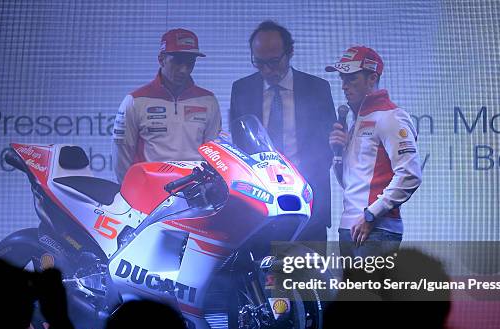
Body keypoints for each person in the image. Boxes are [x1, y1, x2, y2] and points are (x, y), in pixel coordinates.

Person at [230, 20, 336, 245]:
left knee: (307, 278)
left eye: (274, 61)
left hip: (308, 206)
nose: (268, 70)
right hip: (258, 208)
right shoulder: (242, 89)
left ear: (290, 53)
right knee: (261, 279)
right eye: (259, 63)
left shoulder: (317, 88)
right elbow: (238, 147)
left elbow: (328, 148)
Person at [326, 46, 422, 258]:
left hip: (377, 230)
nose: (344, 86)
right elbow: (350, 182)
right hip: (351, 227)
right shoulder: (357, 121)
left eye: (352, 79)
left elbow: (410, 175)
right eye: (342, 79)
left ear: (372, 78)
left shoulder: (391, 117)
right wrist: (338, 155)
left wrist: (371, 215)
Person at [112, 28, 222, 183]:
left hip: (196, 192)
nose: (184, 70)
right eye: (177, 61)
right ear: (161, 59)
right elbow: (122, 156)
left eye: (190, 63)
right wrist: (132, 192)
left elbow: (214, 155)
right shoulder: (135, 100)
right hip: (150, 191)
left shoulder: (208, 100)